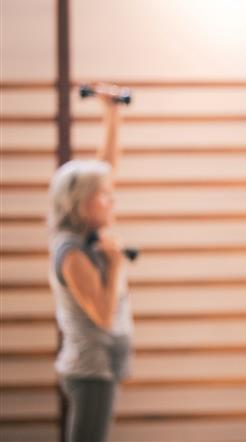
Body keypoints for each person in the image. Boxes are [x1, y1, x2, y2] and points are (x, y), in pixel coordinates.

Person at [48, 84, 133, 442]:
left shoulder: (88, 230)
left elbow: (105, 169)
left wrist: (111, 112)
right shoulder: (72, 252)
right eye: (103, 197)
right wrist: (114, 265)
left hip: (101, 366)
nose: (110, 201)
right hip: (89, 369)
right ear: (82, 203)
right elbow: (101, 313)